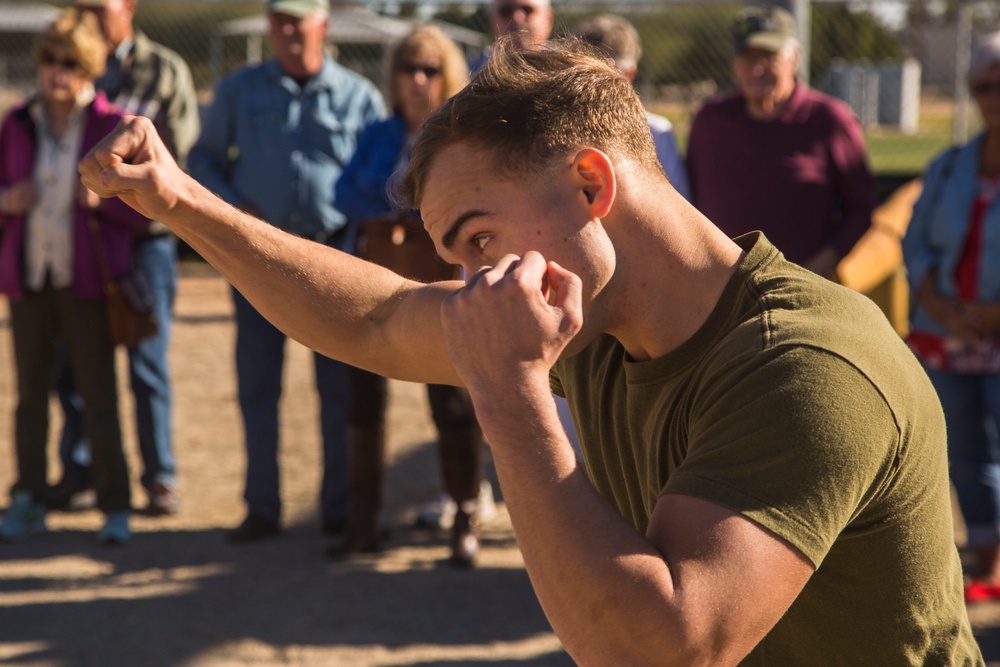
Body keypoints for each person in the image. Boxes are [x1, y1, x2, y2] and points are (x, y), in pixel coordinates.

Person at [81, 39, 980, 664]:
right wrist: (178, 201)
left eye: (477, 239)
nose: (475, 282)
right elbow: (375, 317)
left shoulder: (803, 362)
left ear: (591, 182)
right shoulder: (594, 319)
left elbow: (658, 649)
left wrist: (509, 392)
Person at [187, 0, 385, 543]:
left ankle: (339, 509)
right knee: (257, 385)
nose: (289, 29)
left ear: (323, 24)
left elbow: (382, 173)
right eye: (279, 19)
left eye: (300, 19)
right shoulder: (237, 91)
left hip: (334, 259)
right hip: (257, 259)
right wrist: (234, 212)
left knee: (337, 388)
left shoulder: (358, 96)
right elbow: (202, 160)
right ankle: (262, 507)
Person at [331, 25, 488, 567]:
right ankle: (363, 523)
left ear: (447, 76)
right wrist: (403, 197)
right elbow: (342, 193)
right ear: (393, 77)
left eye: (429, 69)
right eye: (407, 69)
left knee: (451, 401)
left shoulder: (460, 136)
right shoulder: (376, 132)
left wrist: (404, 201)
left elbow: (471, 200)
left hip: (440, 278)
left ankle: (465, 517)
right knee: (363, 399)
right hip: (373, 277)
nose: (418, 80)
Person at [0, 8, 149, 545]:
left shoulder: (115, 126)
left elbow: (146, 209)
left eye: (68, 62)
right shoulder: (16, 123)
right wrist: (6, 200)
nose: (56, 71)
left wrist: (105, 202)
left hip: (87, 282)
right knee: (28, 397)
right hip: (29, 277)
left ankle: (116, 507)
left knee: (98, 395)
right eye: (48, 60)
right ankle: (28, 499)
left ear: (88, 68)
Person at [49, 0, 201, 515]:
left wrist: (119, 186)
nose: (89, 15)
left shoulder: (165, 71)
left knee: (147, 362)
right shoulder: (70, 59)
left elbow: (182, 157)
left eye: (100, 5)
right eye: (81, 6)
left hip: (145, 243)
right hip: (83, 241)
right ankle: (81, 468)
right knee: (74, 363)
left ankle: (159, 476)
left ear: (129, 6)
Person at [902, 31, 1000, 605]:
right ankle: (986, 558)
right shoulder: (949, 167)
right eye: (984, 86)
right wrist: (941, 308)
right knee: (962, 447)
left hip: (990, 330)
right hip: (947, 335)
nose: (994, 97)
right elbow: (916, 246)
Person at [686, 5, 877, 279]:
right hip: (715, 289)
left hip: (799, 288)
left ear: (794, 57)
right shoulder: (709, 121)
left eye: (769, 56)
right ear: (733, 63)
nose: (757, 68)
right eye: (747, 57)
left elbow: (861, 208)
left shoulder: (830, 120)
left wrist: (817, 269)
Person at [572, 13, 690, 200]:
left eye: (607, 74)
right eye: (584, 73)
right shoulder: (564, 131)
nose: (594, 85)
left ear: (629, 74)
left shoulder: (656, 132)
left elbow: (680, 203)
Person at [469, 0, 553, 74]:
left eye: (527, 10)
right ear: (491, 20)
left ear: (548, 19)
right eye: (506, 11)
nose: (517, 18)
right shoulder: (466, 76)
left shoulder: (564, 72)